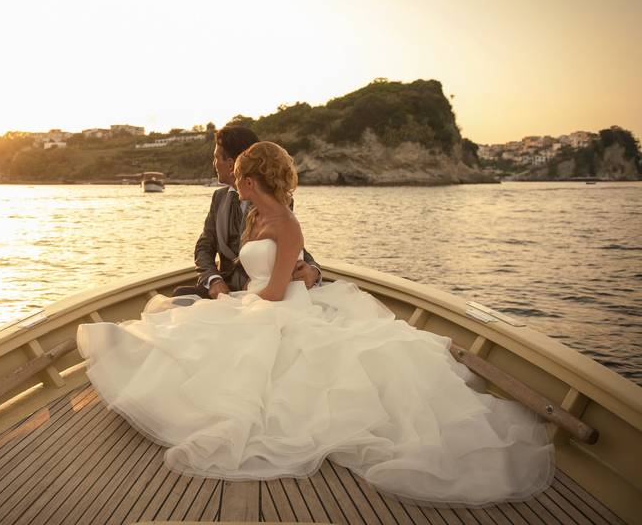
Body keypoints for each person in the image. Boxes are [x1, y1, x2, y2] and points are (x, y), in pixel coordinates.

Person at [77, 141, 553, 506]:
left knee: (215, 339)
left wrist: (238, 302)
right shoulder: (255, 219)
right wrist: (232, 296)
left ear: (249, 179)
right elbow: (253, 273)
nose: (233, 182)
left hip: (279, 304)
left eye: (238, 175)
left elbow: (280, 287)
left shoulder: (285, 223)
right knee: (193, 330)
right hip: (260, 300)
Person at [173, 126, 322, 299]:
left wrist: (313, 271)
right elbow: (204, 247)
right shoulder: (219, 198)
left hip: (260, 295)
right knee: (178, 297)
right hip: (226, 288)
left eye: (216, 158)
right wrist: (213, 280)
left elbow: (290, 244)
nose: (214, 164)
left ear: (231, 164)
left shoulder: (277, 203)